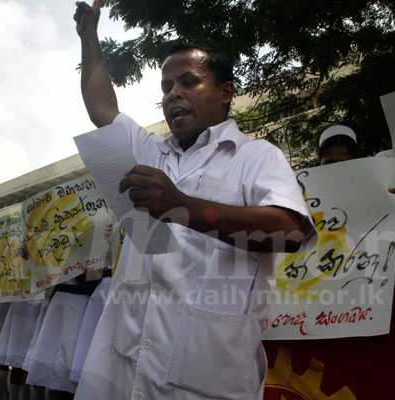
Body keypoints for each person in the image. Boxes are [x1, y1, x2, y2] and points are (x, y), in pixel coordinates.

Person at [72, 2, 318, 399]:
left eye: (188, 82)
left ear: (225, 93)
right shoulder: (148, 150)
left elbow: (290, 231)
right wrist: (89, 38)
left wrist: (185, 208)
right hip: (125, 362)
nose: (174, 94)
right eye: (167, 87)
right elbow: (101, 106)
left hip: (207, 373)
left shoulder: (256, 156)